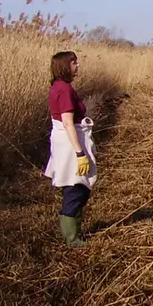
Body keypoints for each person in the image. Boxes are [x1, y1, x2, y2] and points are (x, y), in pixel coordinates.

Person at [43, 51, 96, 248]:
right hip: (69, 143)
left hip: (63, 141)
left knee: (73, 185)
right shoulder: (64, 89)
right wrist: (80, 153)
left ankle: (75, 233)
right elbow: (67, 123)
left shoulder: (58, 86)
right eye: (74, 62)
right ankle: (72, 239)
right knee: (76, 186)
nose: (78, 65)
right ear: (65, 66)